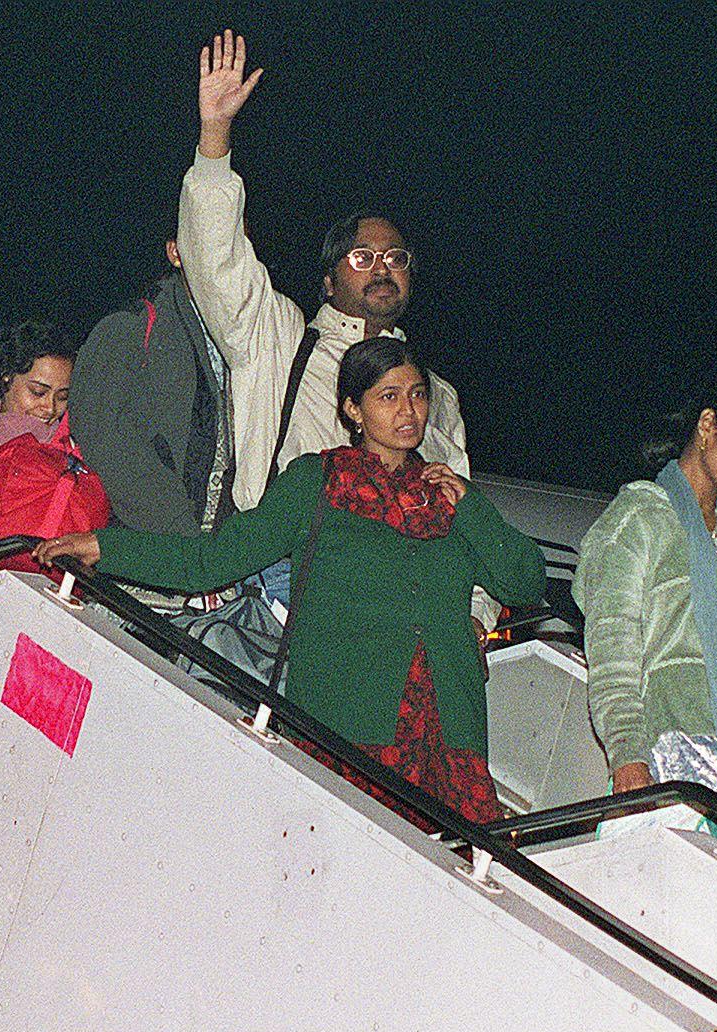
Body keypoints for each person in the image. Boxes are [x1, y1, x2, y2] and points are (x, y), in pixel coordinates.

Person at [35, 337, 544, 825]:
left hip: (448, 740)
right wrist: (107, 546)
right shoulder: (318, 483)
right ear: (353, 409)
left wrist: (471, 505)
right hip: (348, 725)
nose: (408, 411)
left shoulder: (448, 499)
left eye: (416, 395)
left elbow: (525, 584)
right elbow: (215, 560)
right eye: (388, 396)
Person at [178, 31, 499, 637]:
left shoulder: (437, 395)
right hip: (280, 590)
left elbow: (458, 511)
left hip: (391, 609)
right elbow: (218, 262)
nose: (382, 267)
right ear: (328, 281)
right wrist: (214, 140)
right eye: (362, 257)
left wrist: (471, 620)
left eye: (396, 257)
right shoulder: (282, 340)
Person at [573, 373, 717, 829]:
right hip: (666, 764)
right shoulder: (641, 517)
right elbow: (613, 651)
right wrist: (628, 755)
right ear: (708, 426)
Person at [69, 233, 237, 538]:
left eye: (240, 247)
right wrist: (181, 535)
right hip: (151, 552)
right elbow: (106, 440)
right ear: (175, 252)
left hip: (215, 555)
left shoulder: (244, 339)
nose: (228, 258)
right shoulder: (128, 328)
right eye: (215, 243)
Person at [0, 320, 75, 486]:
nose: (50, 408)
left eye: (62, 397)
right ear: (7, 376)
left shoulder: (72, 453)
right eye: (38, 392)